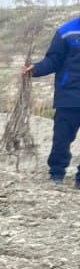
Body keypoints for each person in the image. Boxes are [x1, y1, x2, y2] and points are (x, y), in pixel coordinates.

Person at [22, 14, 80, 185]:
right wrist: (36, 69)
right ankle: (56, 174)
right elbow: (53, 59)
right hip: (68, 97)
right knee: (61, 139)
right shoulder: (66, 31)